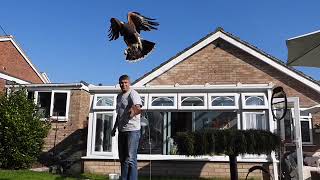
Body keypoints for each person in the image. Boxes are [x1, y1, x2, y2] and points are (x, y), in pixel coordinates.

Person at [111, 74, 142, 180]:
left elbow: (138, 108)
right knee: (123, 158)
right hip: (121, 130)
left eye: (125, 82)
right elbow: (119, 114)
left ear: (129, 83)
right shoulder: (119, 96)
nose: (123, 84)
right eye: (121, 83)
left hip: (132, 130)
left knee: (130, 158)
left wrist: (133, 112)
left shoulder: (133, 94)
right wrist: (114, 128)